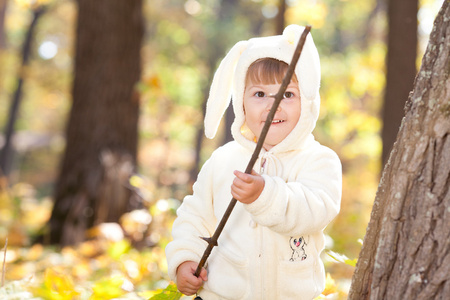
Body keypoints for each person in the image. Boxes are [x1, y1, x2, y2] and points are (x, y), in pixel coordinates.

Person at [165, 24, 342, 300]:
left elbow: (315, 210)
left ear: (307, 102)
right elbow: (195, 217)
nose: (273, 105)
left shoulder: (318, 160)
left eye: (287, 94)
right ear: (242, 103)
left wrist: (265, 195)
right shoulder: (223, 160)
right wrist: (185, 260)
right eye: (260, 94)